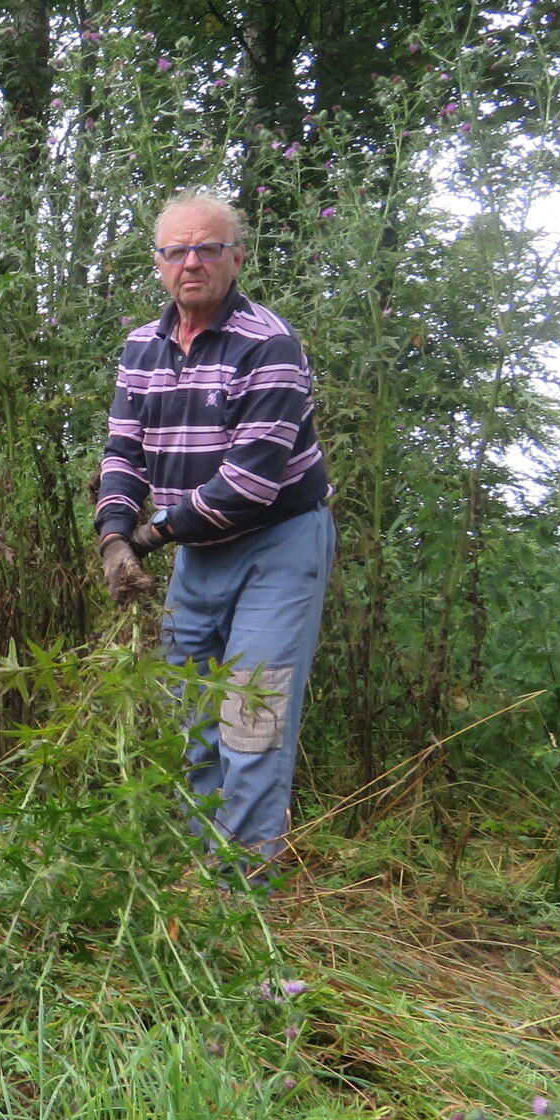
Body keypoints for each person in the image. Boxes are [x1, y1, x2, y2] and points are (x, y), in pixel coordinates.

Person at [95, 190, 334, 875]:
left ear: (237, 258)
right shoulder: (142, 348)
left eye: (207, 248)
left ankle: (242, 890)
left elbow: (249, 483)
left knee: (252, 720)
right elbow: (123, 453)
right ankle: (200, 872)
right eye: (176, 250)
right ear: (159, 263)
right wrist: (114, 536)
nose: (191, 262)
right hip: (195, 551)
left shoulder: (269, 344)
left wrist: (147, 539)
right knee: (188, 716)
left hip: (278, 544)